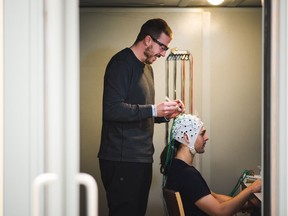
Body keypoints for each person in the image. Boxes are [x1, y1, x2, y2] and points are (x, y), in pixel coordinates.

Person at [98, 18, 185, 216]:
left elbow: (140, 112)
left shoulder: (148, 69)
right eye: (162, 47)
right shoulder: (121, 63)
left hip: (141, 158)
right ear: (147, 40)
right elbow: (112, 109)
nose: (163, 53)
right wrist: (154, 110)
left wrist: (165, 114)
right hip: (122, 160)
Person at [160, 114, 261, 216]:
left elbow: (214, 197)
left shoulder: (176, 167)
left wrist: (247, 204)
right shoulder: (187, 175)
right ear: (187, 137)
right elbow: (221, 212)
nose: (207, 137)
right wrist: (250, 189)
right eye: (202, 134)